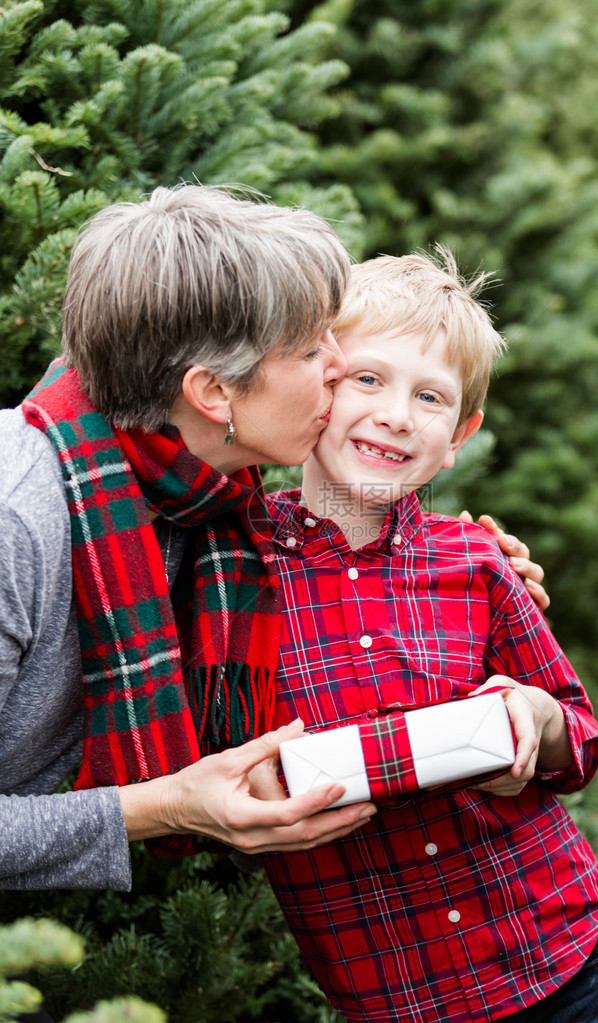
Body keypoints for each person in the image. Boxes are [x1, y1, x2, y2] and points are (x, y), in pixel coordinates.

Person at [260, 252, 598, 1022]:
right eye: (368, 379)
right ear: (317, 387)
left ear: (459, 435)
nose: (397, 415)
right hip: (394, 991)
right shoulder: (235, 568)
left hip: (571, 963)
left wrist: (536, 722)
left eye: (431, 397)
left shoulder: (475, 560)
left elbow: (579, 737)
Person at [0, 183, 381, 891]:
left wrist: (477, 571)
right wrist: (168, 805)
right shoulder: (16, 519)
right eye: (307, 348)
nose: (340, 362)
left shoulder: (197, 494)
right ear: (213, 394)